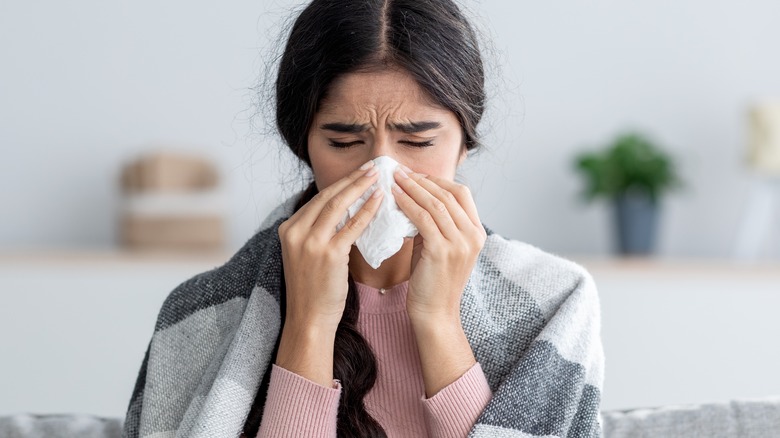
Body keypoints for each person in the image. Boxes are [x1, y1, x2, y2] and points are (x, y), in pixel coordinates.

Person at [123, 0, 604, 437]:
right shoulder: (198, 317)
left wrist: (438, 322)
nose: (381, 171)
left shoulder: (556, 301)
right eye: (344, 143)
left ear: (464, 142)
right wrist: (309, 324)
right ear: (304, 146)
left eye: (417, 142)